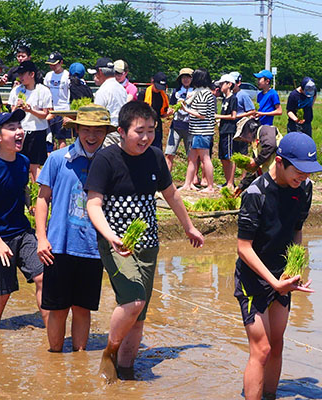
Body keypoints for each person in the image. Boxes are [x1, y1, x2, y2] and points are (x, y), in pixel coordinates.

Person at [85, 101, 204, 383]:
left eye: (151, 131)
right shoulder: (106, 160)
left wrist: (189, 226)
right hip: (117, 244)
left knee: (139, 314)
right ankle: (109, 353)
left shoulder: (154, 157)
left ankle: (127, 371)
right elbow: (93, 204)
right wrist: (110, 236)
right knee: (134, 299)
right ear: (122, 131)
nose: (146, 137)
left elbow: (172, 194)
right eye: (139, 131)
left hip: (148, 245)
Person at [235, 132, 322, 400]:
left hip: (283, 278)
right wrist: (272, 283)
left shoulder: (304, 189)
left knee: (276, 344)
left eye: (309, 173)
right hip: (255, 280)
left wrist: (295, 271)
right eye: (299, 171)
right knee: (261, 349)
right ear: (281, 161)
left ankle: (270, 396)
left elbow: (297, 230)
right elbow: (243, 247)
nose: (304, 177)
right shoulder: (255, 194)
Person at [36, 104, 115, 352]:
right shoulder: (58, 159)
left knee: (83, 309)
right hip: (58, 246)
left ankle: (80, 359)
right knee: (57, 309)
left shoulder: (111, 163)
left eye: (98, 131)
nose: (92, 136)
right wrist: (41, 237)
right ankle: (55, 358)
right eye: (86, 130)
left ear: (105, 132)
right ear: (77, 130)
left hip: (92, 248)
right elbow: (41, 198)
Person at [0, 109, 49, 329]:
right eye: (12, 128)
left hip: (23, 232)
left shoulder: (23, 162)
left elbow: (22, 189)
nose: (20, 132)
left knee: (43, 278)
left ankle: (53, 340)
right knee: (2, 294)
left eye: (20, 127)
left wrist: (30, 204)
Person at [7, 60, 53, 182]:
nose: (20, 77)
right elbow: (11, 113)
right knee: (19, 162)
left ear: (32, 74)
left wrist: (30, 110)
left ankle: (37, 193)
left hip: (37, 131)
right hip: (20, 130)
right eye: (19, 74)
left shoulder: (43, 90)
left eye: (23, 74)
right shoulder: (17, 90)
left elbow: (45, 114)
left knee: (34, 165)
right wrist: (16, 107)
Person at [179, 68, 216, 192]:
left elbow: (201, 114)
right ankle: (187, 184)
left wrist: (186, 109)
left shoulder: (203, 94)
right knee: (192, 159)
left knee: (205, 158)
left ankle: (210, 186)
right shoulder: (201, 92)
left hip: (202, 131)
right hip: (196, 131)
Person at [233, 118, 283, 195]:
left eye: (242, 135)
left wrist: (256, 162)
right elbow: (255, 170)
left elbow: (270, 145)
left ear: (250, 129)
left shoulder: (265, 129)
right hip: (271, 177)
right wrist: (241, 186)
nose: (243, 139)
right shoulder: (256, 143)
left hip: (280, 175)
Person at [89, 57, 127, 147]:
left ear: (100, 71)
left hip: (108, 132)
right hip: (121, 131)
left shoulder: (103, 90)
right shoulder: (122, 89)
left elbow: (96, 115)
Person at [164, 67, 193, 170]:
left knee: (191, 155)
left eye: (188, 77)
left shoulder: (195, 92)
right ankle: (166, 179)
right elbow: (170, 106)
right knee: (169, 153)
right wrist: (171, 110)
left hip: (190, 127)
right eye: (183, 77)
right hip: (176, 125)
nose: (185, 80)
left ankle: (192, 179)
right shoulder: (176, 92)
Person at [44, 51, 71, 150]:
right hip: (51, 110)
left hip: (63, 109)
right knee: (50, 138)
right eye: (51, 65)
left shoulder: (67, 76)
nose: (53, 67)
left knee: (61, 138)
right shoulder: (48, 76)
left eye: (55, 64)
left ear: (61, 63)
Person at [215, 73, 238, 190]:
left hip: (229, 130)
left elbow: (233, 116)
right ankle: (227, 180)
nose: (220, 86)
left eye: (222, 84)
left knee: (230, 157)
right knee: (223, 157)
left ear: (229, 84)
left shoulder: (233, 98)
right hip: (223, 130)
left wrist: (218, 116)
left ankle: (231, 182)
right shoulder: (224, 99)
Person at [138, 71, 171, 150]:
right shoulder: (143, 94)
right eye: (157, 87)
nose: (158, 90)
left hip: (157, 126)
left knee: (157, 148)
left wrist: (168, 114)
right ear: (152, 81)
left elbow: (162, 114)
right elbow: (138, 111)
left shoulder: (163, 96)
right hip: (144, 124)